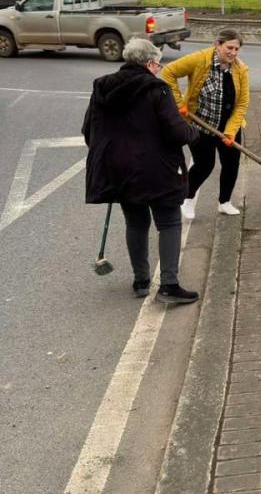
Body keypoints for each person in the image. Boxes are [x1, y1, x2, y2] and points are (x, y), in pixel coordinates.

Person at [82, 38, 199, 304]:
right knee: (168, 222)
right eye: (158, 64)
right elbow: (176, 132)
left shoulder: (102, 87)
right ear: (149, 64)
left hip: (119, 170)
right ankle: (169, 285)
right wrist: (194, 132)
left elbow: (89, 130)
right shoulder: (157, 89)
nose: (159, 69)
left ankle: (141, 280)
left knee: (135, 222)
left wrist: (112, 155)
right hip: (157, 169)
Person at [160, 28, 250, 219]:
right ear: (217, 45)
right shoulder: (200, 59)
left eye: (236, 49)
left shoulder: (240, 70)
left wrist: (231, 131)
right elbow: (168, 72)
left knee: (231, 164)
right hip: (200, 124)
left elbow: (242, 103)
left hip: (228, 126)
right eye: (229, 48)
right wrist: (178, 104)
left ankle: (224, 202)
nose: (233, 53)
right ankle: (188, 199)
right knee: (204, 165)